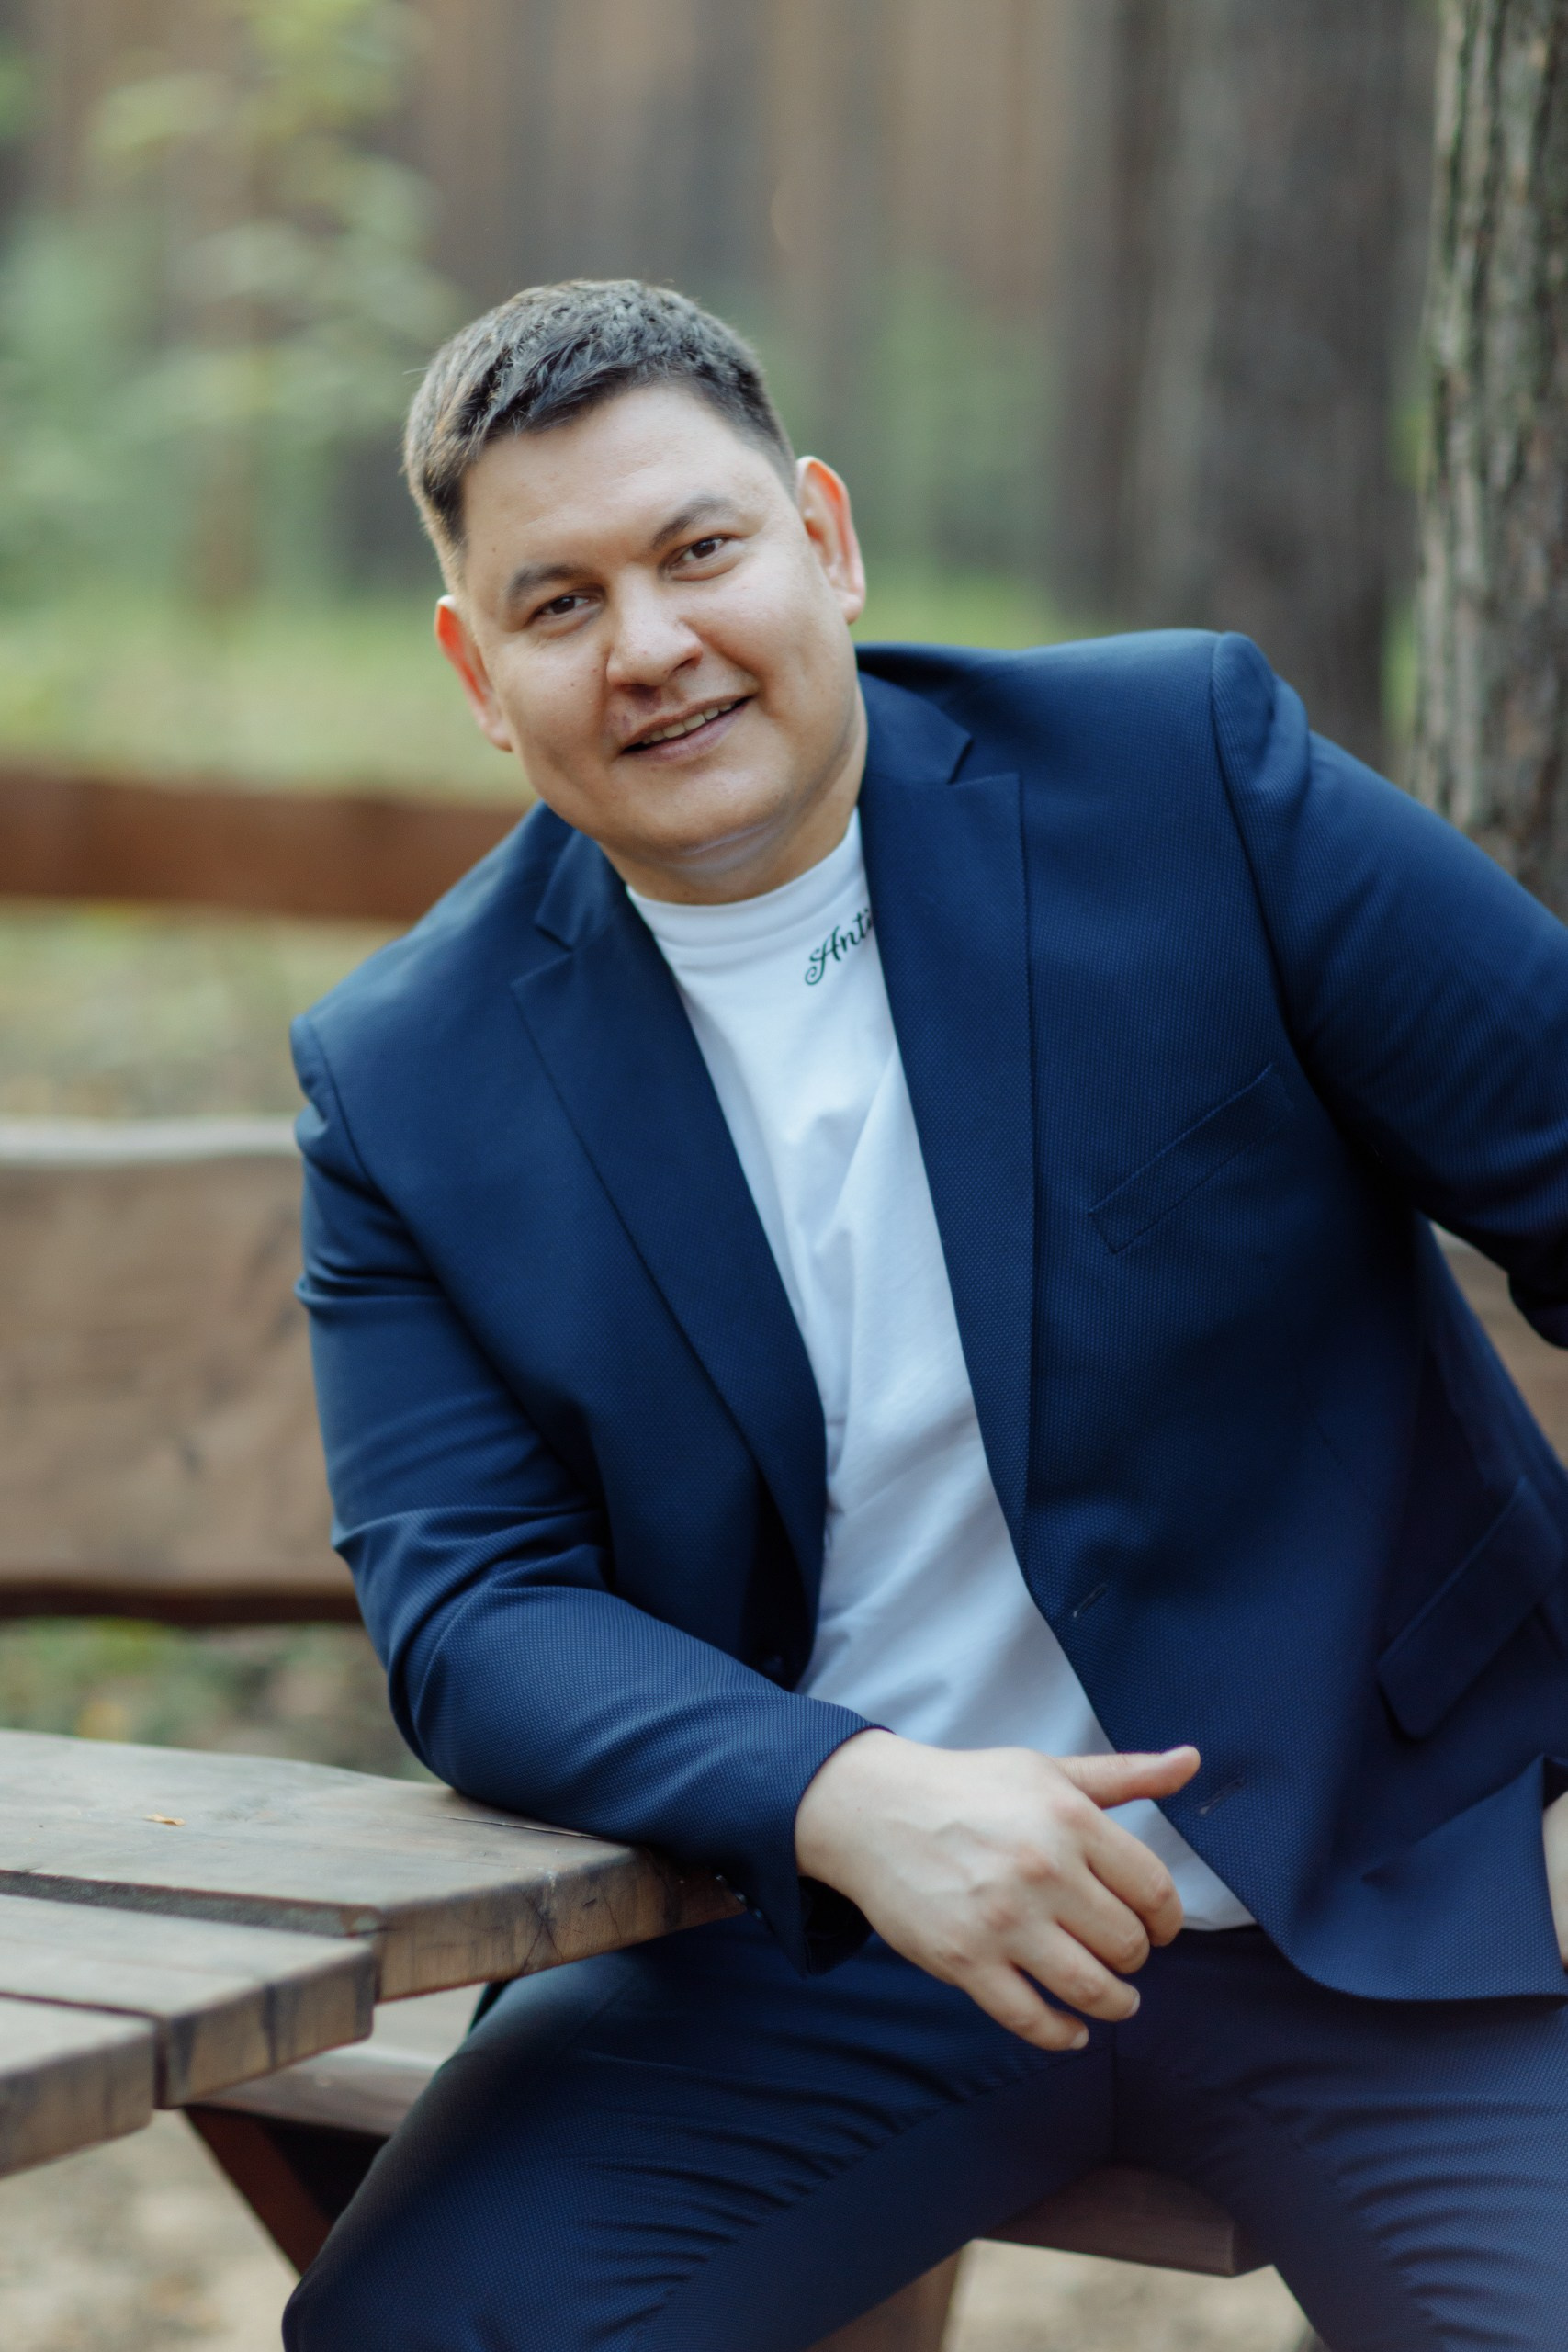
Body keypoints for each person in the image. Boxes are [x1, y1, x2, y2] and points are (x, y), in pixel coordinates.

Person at [283, 280, 1568, 2352]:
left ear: (825, 538)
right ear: (476, 672)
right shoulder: (406, 1078)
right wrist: (847, 1794)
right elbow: (471, 1611)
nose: (651, 645)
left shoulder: (1182, 778)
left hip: (1367, 1896)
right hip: (826, 1946)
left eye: (699, 549)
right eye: (560, 602)